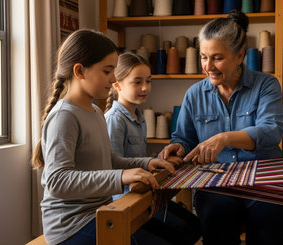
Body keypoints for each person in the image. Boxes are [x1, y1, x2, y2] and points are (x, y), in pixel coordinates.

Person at [159, 10, 283, 245]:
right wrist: (177, 147)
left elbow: (271, 131)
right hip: (216, 183)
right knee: (215, 223)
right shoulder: (194, 94)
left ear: (240, 55)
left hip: (264, 180)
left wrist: (225, 138)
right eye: (203, 57)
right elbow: (184, 138)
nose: (208, 66)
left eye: (217, 58)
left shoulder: (266, 85)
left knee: (267, 228)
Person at [31, 30, 176, 245]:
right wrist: (120, 177)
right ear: (79, 71)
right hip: (71, 226)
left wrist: (147, 162)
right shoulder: (64, 116)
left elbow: (111, 160)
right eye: (108, 71)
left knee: (177, 235)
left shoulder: (95, 111)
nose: (114, 78)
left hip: (99, 212)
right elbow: (56, 181)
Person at [104, 52, 201, 245]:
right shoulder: (115, 120)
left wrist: (160, 159)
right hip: (125, 203)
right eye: (137, 82)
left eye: (148, 81)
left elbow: (136, 158)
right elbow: (112, 167)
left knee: (193, 226)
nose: (145, 88)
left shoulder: (139, 119)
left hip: (142, 197)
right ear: (117, 84)